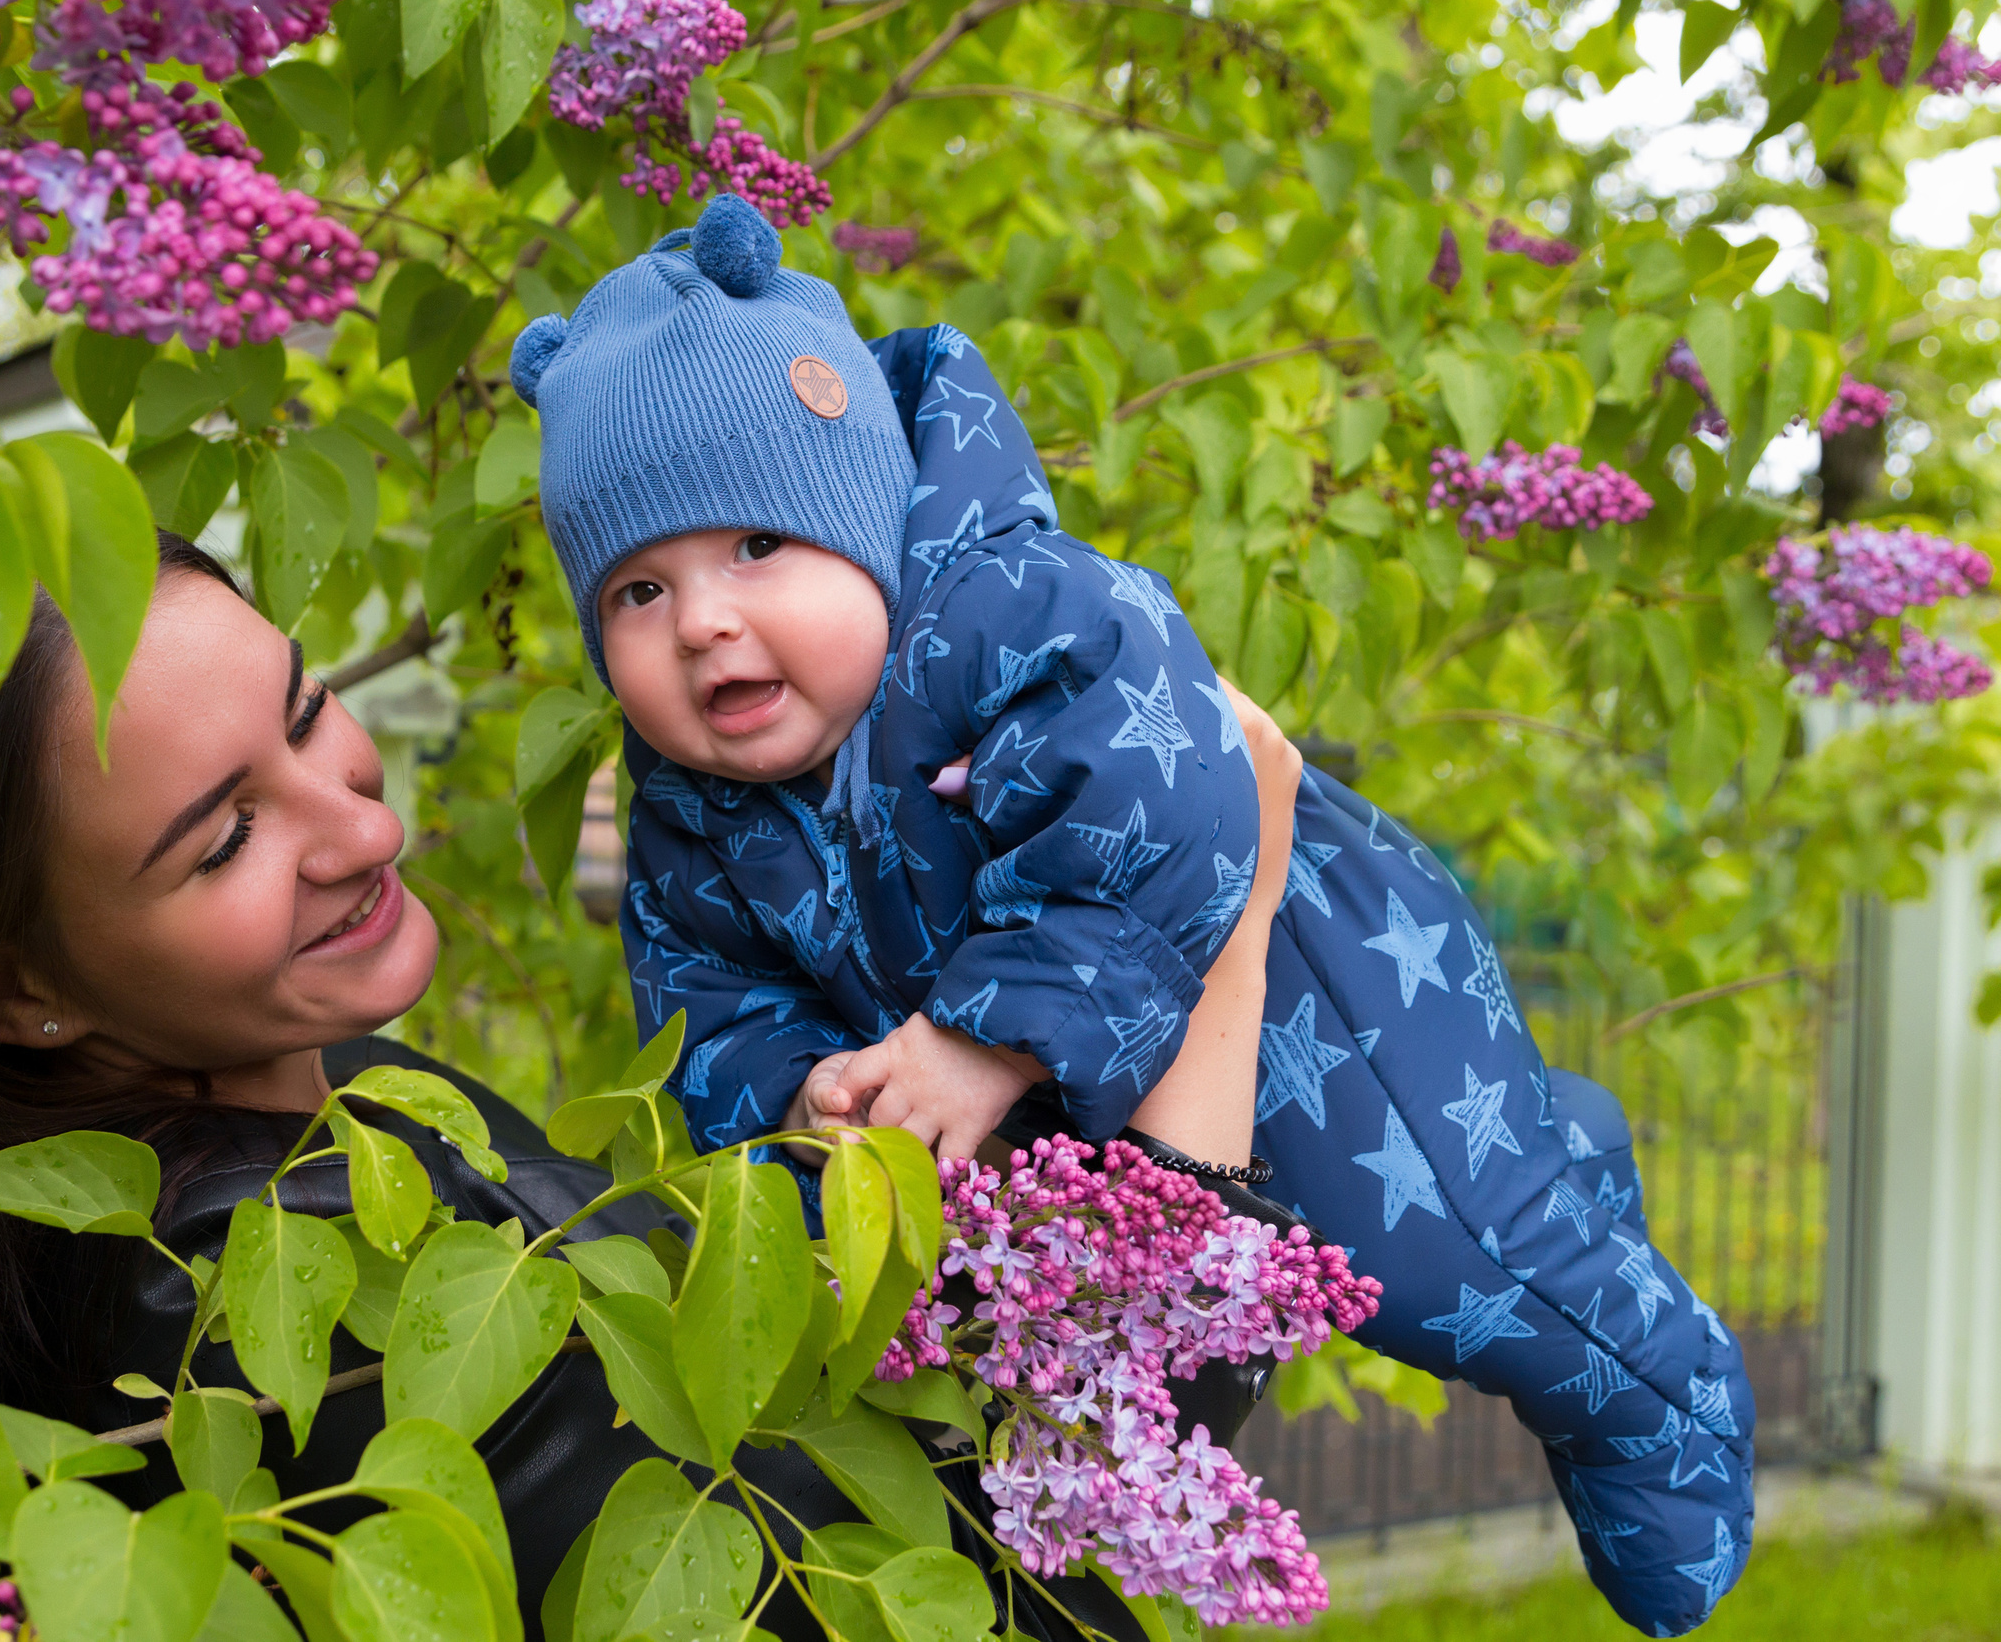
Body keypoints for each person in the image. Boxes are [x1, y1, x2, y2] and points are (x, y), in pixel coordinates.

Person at [507, 194, 1757, 1634]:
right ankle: (1559, 1171)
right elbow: (703, 998)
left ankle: (1664, 1391)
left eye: (757, 547)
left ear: (860, 513)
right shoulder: (683, 803)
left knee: (1447, 1265)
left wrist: (980, 1041)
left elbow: (1153, 808)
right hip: (1062, 1102)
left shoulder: (1009, 609)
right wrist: (799, 1100)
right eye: (638, 590)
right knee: (1104, 1359)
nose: (703, 623)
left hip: (1315, 998)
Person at [0, 533, 1150, 1642]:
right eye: (221, 842)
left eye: (308, 710)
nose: (364, 822)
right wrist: (1231, 907)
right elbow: (1049, 1545)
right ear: (11, 990)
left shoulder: (342, 1095)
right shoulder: (261, 1290)